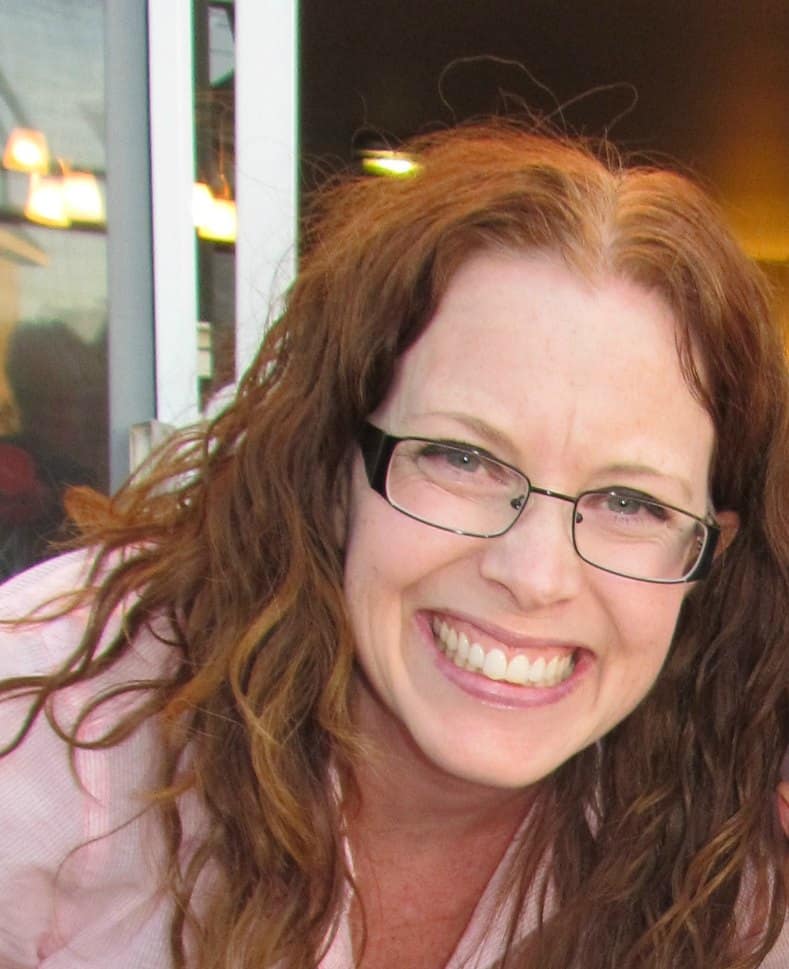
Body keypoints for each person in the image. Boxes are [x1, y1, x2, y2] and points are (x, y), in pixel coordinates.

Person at [0, 122, 787, 969]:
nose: (534, 575)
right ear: (328, 459)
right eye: (462, 458)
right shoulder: (57, 718)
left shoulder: (731, 833)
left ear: (708, 555)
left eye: (630, 502)